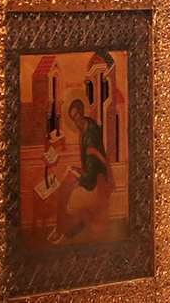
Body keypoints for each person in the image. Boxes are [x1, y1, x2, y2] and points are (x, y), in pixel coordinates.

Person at [48, 99, 114, 244]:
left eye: (76, 116)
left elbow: (91, 178)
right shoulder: (87, 126)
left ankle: (61, 230)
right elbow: (89, 165)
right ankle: (62, 228)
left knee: (65, 191)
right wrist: (79, 171)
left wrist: (79, 180)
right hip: (89, 174)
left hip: (96, 182)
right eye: (72, 118)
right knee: (64, 186)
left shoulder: (91, 137)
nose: (75, 121)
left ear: (81, 113)